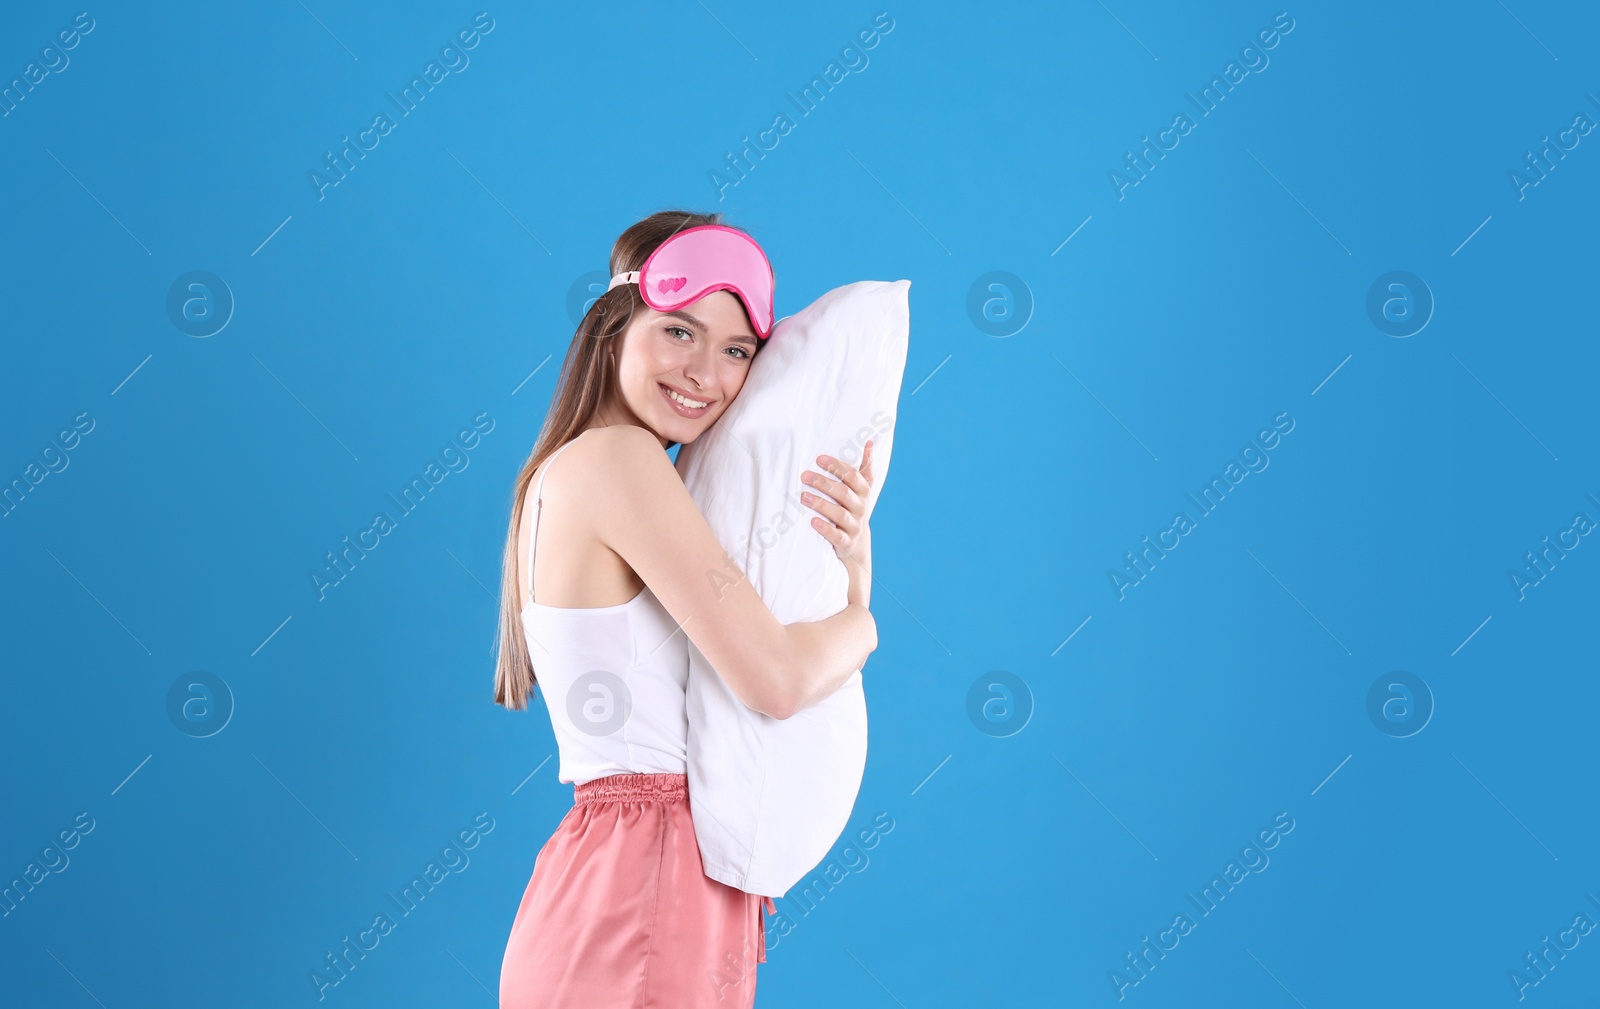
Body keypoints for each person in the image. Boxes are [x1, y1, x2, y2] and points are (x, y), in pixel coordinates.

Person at [493, 209, 878, 1008]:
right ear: (613, 326)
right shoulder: (618, 459)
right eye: (679, 331)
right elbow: (774, 679)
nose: (706, 371)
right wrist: (864, 617)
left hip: (626, 881)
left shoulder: (579, 468)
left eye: (738, 350)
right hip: (644, 884)